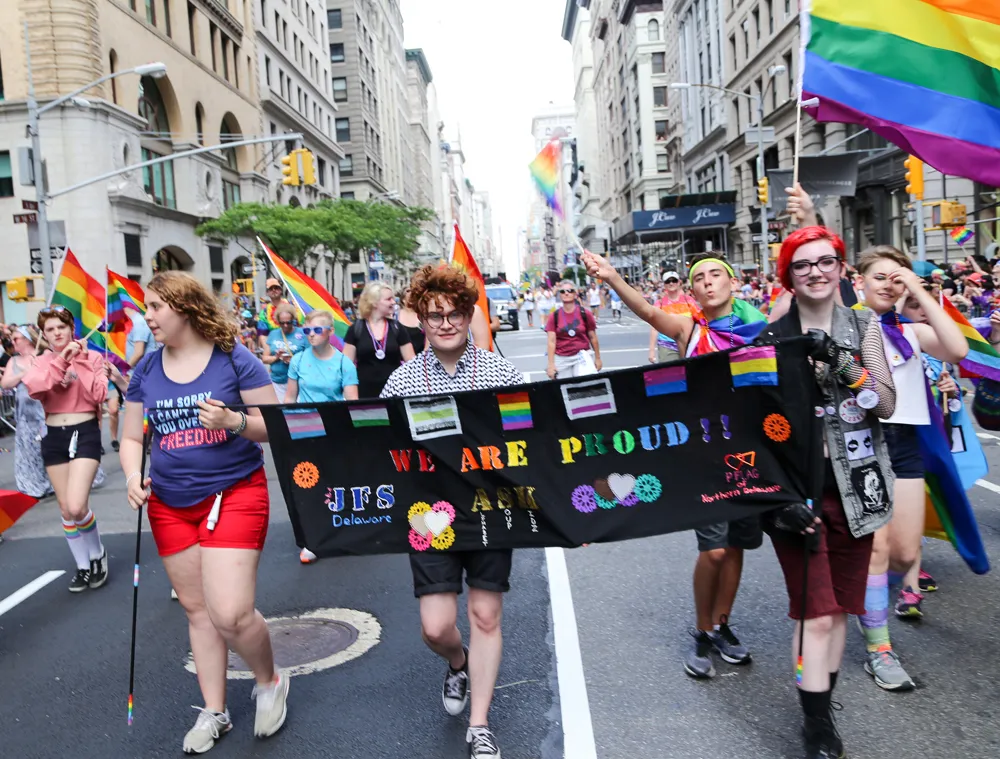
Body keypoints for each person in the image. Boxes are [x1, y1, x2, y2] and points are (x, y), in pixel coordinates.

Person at [115, 271, 289, 753]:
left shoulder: (233, 357)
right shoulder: (146, 371)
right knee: (198, 611)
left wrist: (234, 421)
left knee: (231, 612)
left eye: (155, 307)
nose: (147, 317)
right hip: (169, 504)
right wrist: (131, 477)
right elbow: (131, 438)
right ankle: (215, 710)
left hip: (234, 493)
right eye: (147, 307)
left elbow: (275, 425)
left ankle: (269, 681)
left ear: (185, 308)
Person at [582, 249, 766, 679]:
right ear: (692, 291)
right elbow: (648, 311)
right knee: (714, 549)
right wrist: (611, 277)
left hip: (753, 453)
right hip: (705, 455)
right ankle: (702, 630)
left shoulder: (760, 331)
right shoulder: (689, 329)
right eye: (699, 278)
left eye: (716, 274)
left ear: (733, 282)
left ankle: (722, 625)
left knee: (737, 545)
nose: (708, 282)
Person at [380, 264, 526, 759]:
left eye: (454, 314)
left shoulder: (501, 373)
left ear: (468, 315)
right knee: (436, 627)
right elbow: (379, 450)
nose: (445, 323)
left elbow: (534, 444)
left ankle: (479, 724)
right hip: (429, 514)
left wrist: (571, 517)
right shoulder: (401, 381)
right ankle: (458, 663)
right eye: (434, 315)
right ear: (421, 320)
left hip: (490, 508)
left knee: (485, 614)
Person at [763, 226, 897, 759]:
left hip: (857, 489)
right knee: (814, 613)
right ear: (788, 277)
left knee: (839, 608)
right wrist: (776, 501)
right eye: (802, 264)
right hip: (796, 496)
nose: (815, 272)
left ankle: (821, 703)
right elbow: (752, 429)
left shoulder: (864, 326)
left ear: (842, 269)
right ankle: (815, 724)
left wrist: (844, 363)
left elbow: (884, 403)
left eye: (825, 262)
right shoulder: (770, 339)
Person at [853, 246, 966, 691]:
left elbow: (956, 348)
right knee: (878, 550)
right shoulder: (846, 325)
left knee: (902, 555)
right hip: (862, 442)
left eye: (895, 277)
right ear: (859, 281)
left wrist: (918, 289)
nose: (887, 284)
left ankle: (864, 596)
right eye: (878, 276)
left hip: (905, 444)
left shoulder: (911, 330)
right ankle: (879, 647)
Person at [21, 307, 109, 592]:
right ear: (44, 335)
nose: (57, 333)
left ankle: (97, 554)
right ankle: (83, 566)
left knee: (76, 505)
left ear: (72, 328)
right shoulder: (40, 361)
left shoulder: (92, 357)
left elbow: (99, 394)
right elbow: (36, 388)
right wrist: (61, 360)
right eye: (50, 329)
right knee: (65, 509)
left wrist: (79, 360)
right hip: (53, 435)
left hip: (85, 431)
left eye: (61, 327)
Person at [285, 310, 359, 564]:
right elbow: (289, 398)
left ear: (330, 332)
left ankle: (341, 530)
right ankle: (313, 539)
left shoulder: (343, 363)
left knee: (336, 480)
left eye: (317, 330)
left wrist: (351, 433)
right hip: (304, 429)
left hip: (334, 429)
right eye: (307, 330)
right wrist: (285, 426)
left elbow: (352, 402)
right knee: (308, 483)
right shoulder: (298, 360)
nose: (311, 335)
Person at [1, 325, 53, 499]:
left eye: (16, 338)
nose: (12, 342)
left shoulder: (44, 355)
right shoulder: (13, 361)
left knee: (48, 447)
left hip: (45, 410)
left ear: (28, 339)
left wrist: (37, 369)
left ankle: (55, 480)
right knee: (29, 450)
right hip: (25, 414)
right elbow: (5, 383)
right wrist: (23, 373)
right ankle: (34, 484)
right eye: (11, 339)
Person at [343, 282, 415, 398]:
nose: (394, 302)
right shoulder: (356, 329)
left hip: (395, 393)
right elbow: (346, 366)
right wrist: (351, 397)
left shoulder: (397, 328)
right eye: (388, 299)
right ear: (374, 302)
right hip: (364, 395)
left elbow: (412, 364)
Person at [108, 311, 155, 453]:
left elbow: (139, 352)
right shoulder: (133, 323)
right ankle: (145, 442)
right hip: (139, 373)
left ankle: (145, 442)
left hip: (141, 374)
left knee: (142, 410)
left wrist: (124, 370)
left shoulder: (139, 322)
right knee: (143, 409)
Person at [545, 280, 602, 379]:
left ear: (575, 294)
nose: (566, 293)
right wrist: (551, 364)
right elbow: (551, 342)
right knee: (564, 387)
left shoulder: (585, 313)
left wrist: (597, 358)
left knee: (586, 384)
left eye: (570, 290)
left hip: (582, 356)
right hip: (562, 358)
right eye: (563, 291)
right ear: (560, 295)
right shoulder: (554, 316)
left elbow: (593, 337)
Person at [261, 303, 308, 402]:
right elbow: (264, 359)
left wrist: (294, 361)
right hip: (277, 382)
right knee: (282, 409)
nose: (285, 325)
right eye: (282, 323)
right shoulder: (273, 334)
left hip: (298, 381)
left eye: (289, 322)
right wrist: (277, 357)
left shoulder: (303, 334)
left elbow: (310, 358)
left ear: (293, 320)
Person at [648, 271, 696, 364]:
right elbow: (654, 328)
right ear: (664, 284)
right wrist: (651, 351)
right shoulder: (660, 303)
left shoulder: (689, 301)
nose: (671, 283)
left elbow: (698, 321)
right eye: (668, 281)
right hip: (667, 345)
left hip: (688, 344)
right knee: (670, 372)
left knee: (690, 371)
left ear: (679, 283)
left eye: (674, 280)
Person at [256, 278, 300, 351]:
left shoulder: (293, 306)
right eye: (271, 289)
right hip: (276, 349)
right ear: (267, 293)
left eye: (276, 288)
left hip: (295, 346)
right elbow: (263, 335)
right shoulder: (264, 313)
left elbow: (301, 326)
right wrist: (269, 350)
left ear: (281, 291)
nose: (274, 290)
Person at [396, 286, 426, 353]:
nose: (411, 293)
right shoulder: (395, 315)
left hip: (421, 356)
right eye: (408, 291)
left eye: (414, 290)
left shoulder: (423, 315)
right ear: (403, 298)